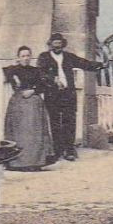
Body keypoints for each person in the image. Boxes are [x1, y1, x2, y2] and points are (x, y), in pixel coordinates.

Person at [34, 32, 104, 161]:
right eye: (54, 44)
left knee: (70, 121)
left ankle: (69, 150)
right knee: (55, 122)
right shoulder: (44, 57)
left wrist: (101, 65)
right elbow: (40, 73)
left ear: (63, 45)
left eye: (59, 44)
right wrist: (53, 79)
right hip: (52, 94)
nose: (57, 46)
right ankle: (57, 150)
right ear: (50, 45)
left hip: (68, 93)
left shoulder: (69, 57)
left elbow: (84, 63)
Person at [2, 46, 55, 170]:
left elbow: (46, 85)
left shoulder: (36, 71)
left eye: (28, 56)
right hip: (18, 103)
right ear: (18, 58)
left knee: (34, 132)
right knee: (19, 132)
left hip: (33, 103)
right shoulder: (13, 69)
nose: (25, 58)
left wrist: (33, 90)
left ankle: (34, 162)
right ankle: (17, 163)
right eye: (23, 56)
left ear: (31, 57)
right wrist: (14, 72)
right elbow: (5, 73)